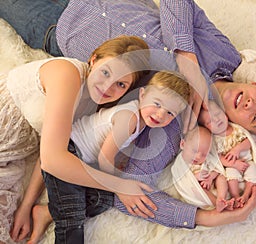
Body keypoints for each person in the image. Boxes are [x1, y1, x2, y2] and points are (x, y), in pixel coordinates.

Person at [1, 0, 256, 241]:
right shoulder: (225, 54)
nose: (250, 104)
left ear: (240, 128)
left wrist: (206, 218)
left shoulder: (171, 125)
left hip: (59, 27)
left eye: (255, 118)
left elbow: (132, 191)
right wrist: (186, 54)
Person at [0, 35, 155, 244]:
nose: (108, 87)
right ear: (93, 60)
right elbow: (53, 159)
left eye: (120, 84)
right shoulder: (67, 75)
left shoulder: (93, 104)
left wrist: (27, 205)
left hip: (15, 153)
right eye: (105, 72)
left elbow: (52, 147)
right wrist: (120, 186)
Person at [43, 70, 190, 243]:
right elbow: (105, 158)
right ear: (142, 95)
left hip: (83, 161)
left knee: (103, 200)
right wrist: (119, 184)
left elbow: (113, 144)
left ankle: (46, 211)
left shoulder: (142, 120)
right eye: (157, 104)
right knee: (72, 221)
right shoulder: (129, 118)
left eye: (170, 113)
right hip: (69, 152)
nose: (160, 115)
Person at [198, 100, 256, 208]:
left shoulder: (237, 129)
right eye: (210, 121)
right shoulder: (214, 141)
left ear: (225, 114)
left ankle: (246, 193)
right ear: (207, 128)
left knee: (252, 169)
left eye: (217, 114)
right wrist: (234, 164)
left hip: (247, 161)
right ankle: (235, 196)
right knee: (231, 175)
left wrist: (237, 149)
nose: (216, 120)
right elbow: (218, 158)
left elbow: (248, 141)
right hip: (231, 165)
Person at [171, 126, 235, 212]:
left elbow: (217, 168)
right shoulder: (181, 162)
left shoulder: (207, 160)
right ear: (183, 144)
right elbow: (181, 179)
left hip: (212, 184)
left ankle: (221, 198)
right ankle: (216, 203)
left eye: (204, 154)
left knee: (221, 178)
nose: (198, 157)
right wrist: (196, 177)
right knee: (195, 190)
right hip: (200, 190)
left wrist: (210, 177)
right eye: (194, 151)